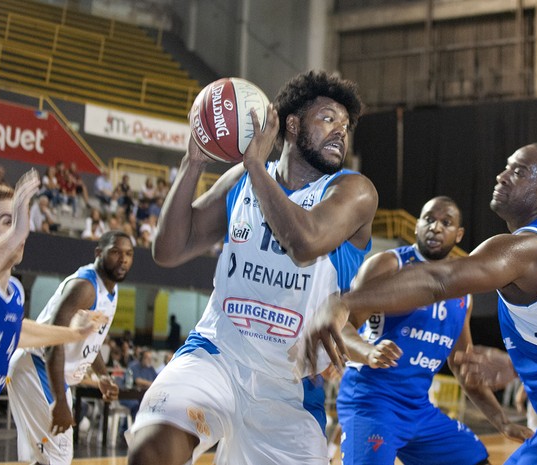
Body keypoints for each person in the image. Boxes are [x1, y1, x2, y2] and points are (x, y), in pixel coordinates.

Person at [305, 143, 537, 464]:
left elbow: (437, 280)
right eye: (506, 167)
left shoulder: (524, 248)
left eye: (519, 171)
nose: (502, 175)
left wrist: (343, 301)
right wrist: (516, 368)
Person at [127, 70, 378, 465]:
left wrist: (257, 169)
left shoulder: (353, 191)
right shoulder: (242, 180)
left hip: (289, 387)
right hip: (217, 354)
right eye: (329, 119)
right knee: (152, 450)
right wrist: (193, 163)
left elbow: (305, 243)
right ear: (292, 125)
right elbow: (168, 251)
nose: (340, 133)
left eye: (346, 127)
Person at [337, 196, 533, 465]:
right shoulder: (387, 264)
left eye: (446, 222)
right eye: (429, 219)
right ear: (417, 226)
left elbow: (463, 366)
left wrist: (502, 421)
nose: (436, 227)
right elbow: (341, 323)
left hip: (418, 409)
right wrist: (368, 352)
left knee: (476, 459)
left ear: (459, 234)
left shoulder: (463, 292)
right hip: (373, 403)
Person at [0, 173, 106, 465]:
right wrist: (13, 238)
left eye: (20, 220)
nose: (21, 230)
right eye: (8, 221)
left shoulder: (13, 292)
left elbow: (18, 331)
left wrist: (73, 335)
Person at [7, 230, 135, 465]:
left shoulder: (111, 290)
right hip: (37, 367)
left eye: (128, 254)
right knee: (59, 456)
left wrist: (102, 375)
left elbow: (91, 340)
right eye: (116, 252)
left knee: (47, 458)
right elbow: (54, 341)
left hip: (50, 375)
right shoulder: (85, 286)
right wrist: (60, 401)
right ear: (99, 253)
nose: (123, 259)